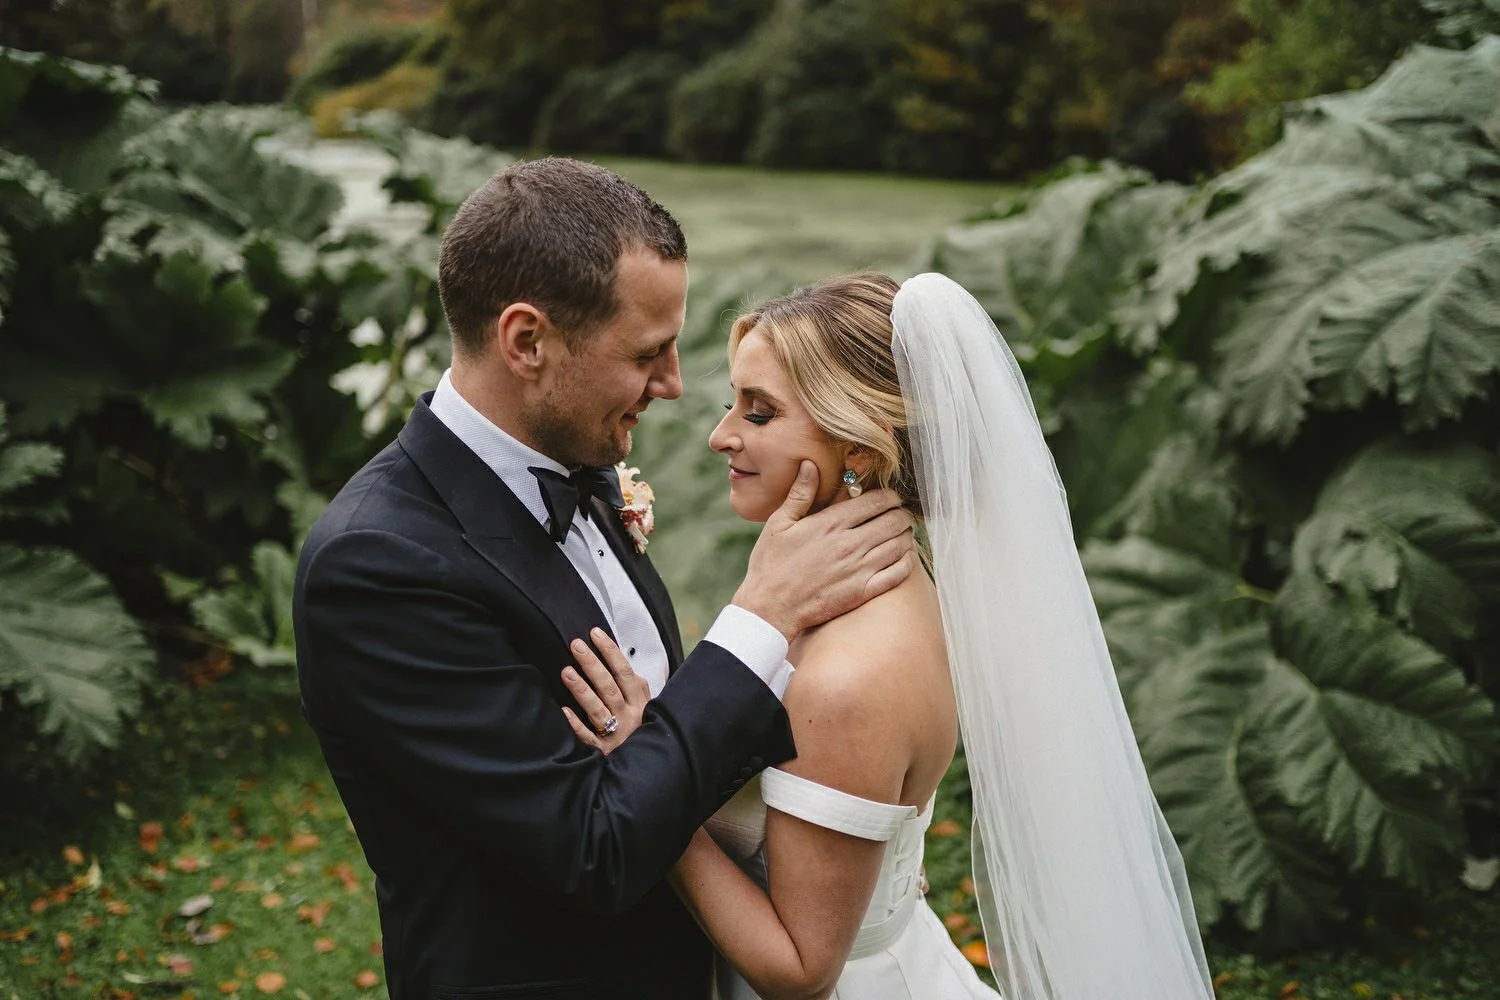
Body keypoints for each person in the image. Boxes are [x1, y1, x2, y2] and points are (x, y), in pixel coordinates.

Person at [291, 159, 918, 1000]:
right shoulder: (379, 566)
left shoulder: (580, 461)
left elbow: (663, 742)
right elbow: (595, 848)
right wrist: (761, 613)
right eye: (648, 354)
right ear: (527, 342)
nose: (673, 387)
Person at [567, 272, 1215, 999]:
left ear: (864, 454)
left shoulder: (850, 678)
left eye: (760, 412)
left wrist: (653, 802)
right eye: (733, 406)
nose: (722, 436)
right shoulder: (871, 586)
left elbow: (801, 969)